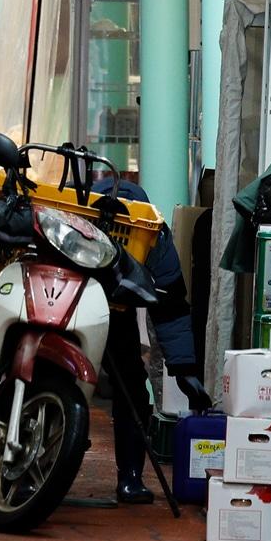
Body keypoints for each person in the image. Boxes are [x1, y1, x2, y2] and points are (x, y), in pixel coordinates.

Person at [93, 178, 211, 503]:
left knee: (131, 382)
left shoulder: (154, 238)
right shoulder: (74, 218)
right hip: (65, 304)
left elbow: (171, 308)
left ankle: (130, 475)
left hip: (118, 310)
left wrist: (184, 369)